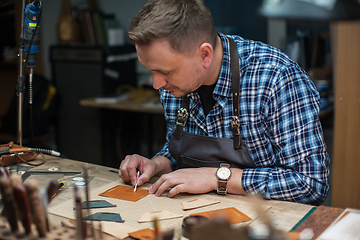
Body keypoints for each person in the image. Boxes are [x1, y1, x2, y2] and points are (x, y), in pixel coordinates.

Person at [118, 0, 330, 205]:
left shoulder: (276, 78)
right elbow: (180, 153)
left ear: (205, 55)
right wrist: (157, 164)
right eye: (151, 70)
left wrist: (217, 178)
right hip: (197, 215)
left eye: (164, 71)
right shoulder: (173, 84)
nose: (157, 84)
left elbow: (311, 183)